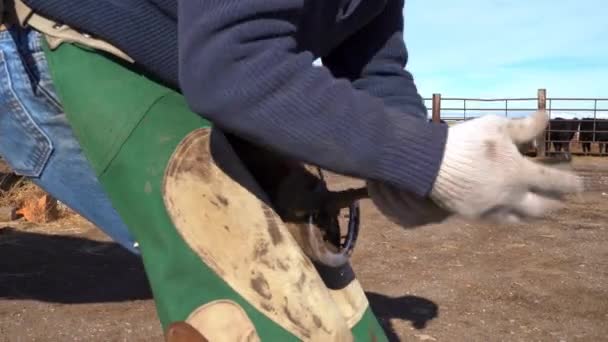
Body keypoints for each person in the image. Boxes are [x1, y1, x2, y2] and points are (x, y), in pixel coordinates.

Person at [5, 0, 584, 340]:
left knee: (325, 278)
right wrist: (432, 161)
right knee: (255, 303)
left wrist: (413, 163)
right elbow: (230, 64)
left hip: (187, 65)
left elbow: (371, 71)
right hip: (72, 38)